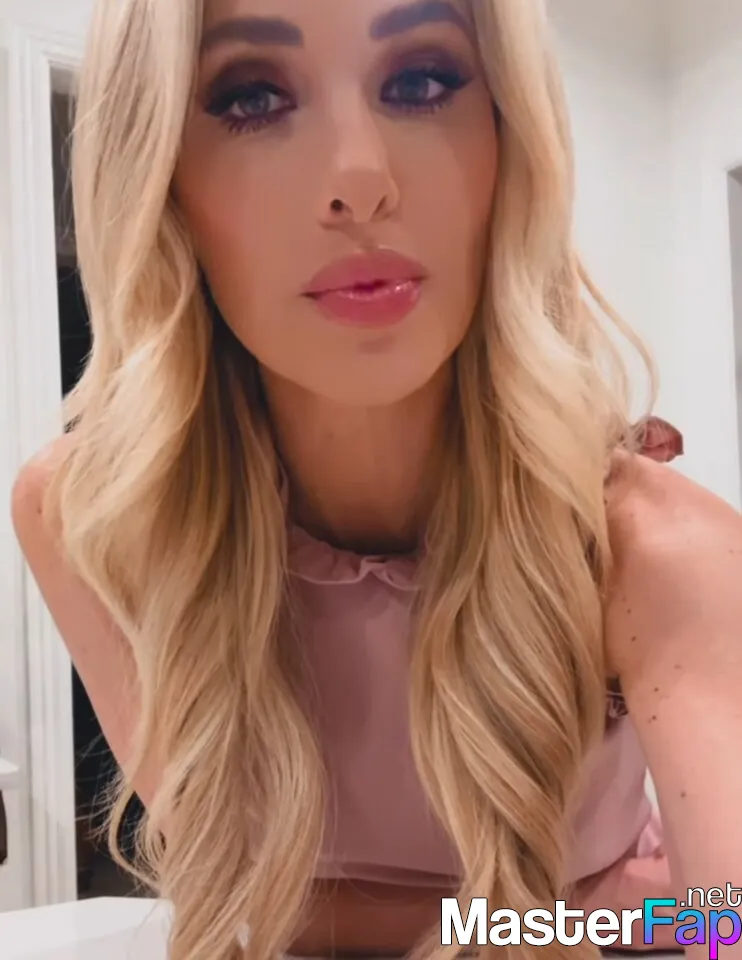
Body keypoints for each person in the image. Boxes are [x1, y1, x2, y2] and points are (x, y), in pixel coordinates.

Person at [10, 1, 742, 959]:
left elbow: (719, 919)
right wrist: (561, 909)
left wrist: (570, 916)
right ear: (161, 179)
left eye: (422, 81)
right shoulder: (90, 519)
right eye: (251, 97)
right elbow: (253, 897)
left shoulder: (659, 549)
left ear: (508, 139)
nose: (359, 179)